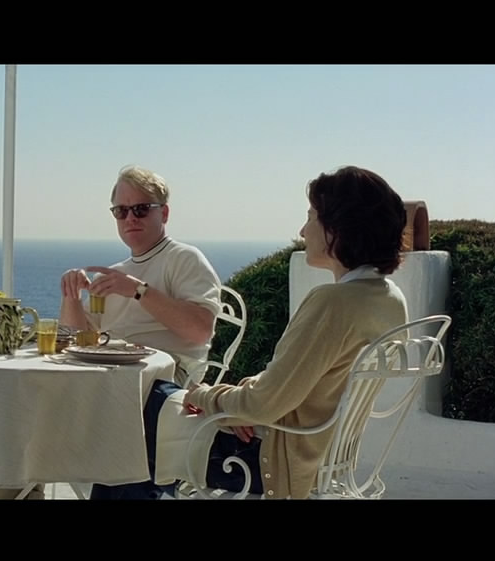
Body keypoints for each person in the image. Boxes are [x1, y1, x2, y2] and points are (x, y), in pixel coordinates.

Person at [99, 164, 409, 500]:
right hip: (317, 453)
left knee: (130, 415)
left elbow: (262, 404)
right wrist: (236, 404)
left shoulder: (333, 303)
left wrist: (204, 396)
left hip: (270, 457)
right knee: (140, 428)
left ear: (337, 227)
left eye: (311, 217)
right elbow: (286, 388)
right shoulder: (389, 299)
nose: (303, 230)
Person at [0, 164, 224, 500]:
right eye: (121, 211)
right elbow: (78, 337)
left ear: (164, 213)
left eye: (141, 209)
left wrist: (139, 291)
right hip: (108, 380)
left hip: (161, 381)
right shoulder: (115, 275)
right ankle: (23, 489)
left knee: (55, 413)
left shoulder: (183, 259)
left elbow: (200, 330)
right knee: (29, 409)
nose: (130, 218)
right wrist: (72, 297)